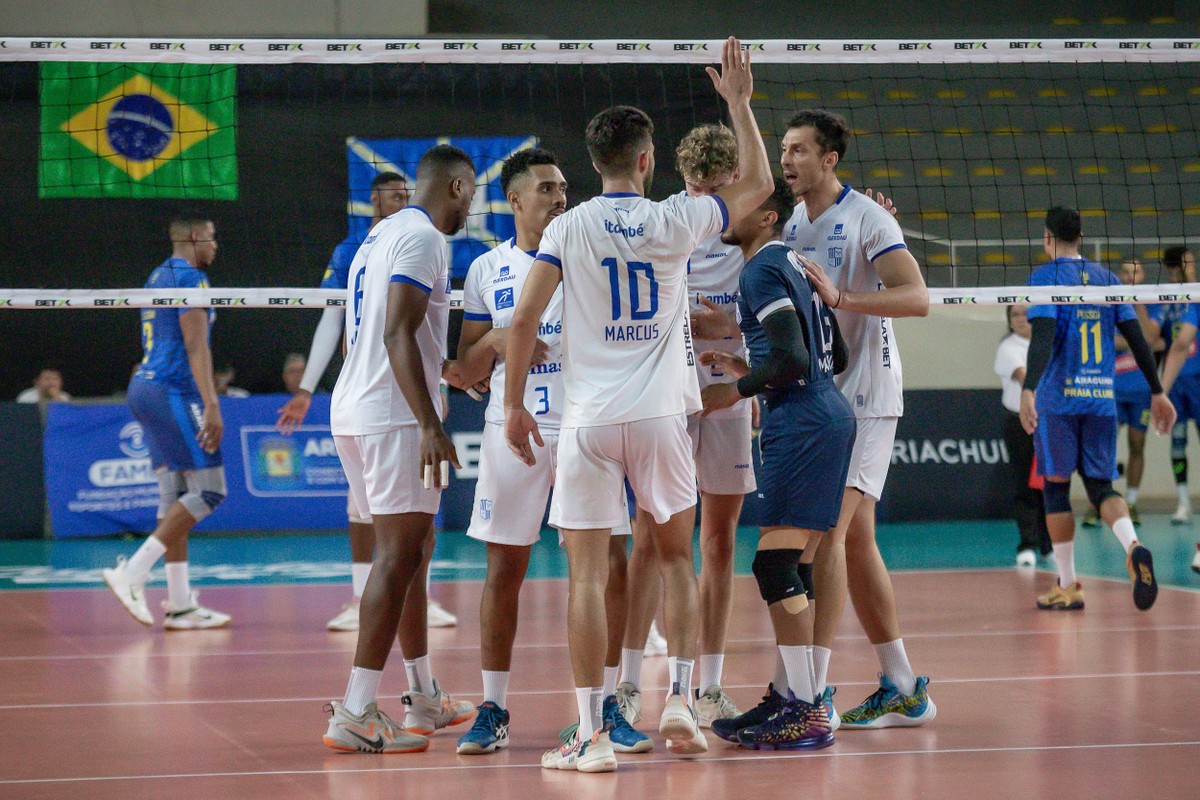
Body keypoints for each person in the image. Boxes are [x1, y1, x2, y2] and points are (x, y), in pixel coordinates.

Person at [504, 36, 773, 773]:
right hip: (660, 418)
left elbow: (524, 321)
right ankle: (682, 697)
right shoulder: (675, 220)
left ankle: (591, 735)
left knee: (586, 576)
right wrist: (740, 106)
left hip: (588, 421)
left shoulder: (566, 226)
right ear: (648, 161)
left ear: (595, 162)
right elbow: (753, 185)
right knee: (675, 559)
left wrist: (511, 406)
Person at [453, 147, 649, 757]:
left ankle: (607, 705)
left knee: (606, 567)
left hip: (586, 427)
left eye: (564, 186)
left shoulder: (591, 249)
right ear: (514, 201)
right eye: (547, 188)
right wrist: (508, 337)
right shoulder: (487, 268)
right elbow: (463, 368)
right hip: (512, 427)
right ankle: (493, 706)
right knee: (503, 569)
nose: (561, 195)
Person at [780, 109, 935, 730]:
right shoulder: (793, 222)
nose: (786, 159)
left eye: (797, 150)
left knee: (824, 536)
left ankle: (811, 695)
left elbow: (917, 297)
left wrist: (847, 299)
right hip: (824, 398)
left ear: (829, 160)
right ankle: (901, 684)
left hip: (866, 397)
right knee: (857, 537)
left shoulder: (869, 217)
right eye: (783, 149)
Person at [321, 144, 477, 754]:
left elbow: (372, 335)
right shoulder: (425, 239)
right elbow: (396, 331)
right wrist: (430, 424)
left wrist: (449, 373)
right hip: (393, 419)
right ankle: (357, 710)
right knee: (398, 555)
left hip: (357, 410)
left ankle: (424, 697)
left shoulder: (379, 235)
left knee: (413, 549)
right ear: (459, 188)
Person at [698, 176, 853, 750]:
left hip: (803, 419)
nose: (728, 213)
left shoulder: (761, 267)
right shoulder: (794, 259)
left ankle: (808, 707)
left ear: (766, 216)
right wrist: (752, 368)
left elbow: (792, 355)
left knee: (775, 565)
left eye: (742, 204)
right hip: (823, 410)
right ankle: (790, 696)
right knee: (798, 562)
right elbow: (830, 350)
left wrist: (734, 392)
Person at [275, 171, 463, 632]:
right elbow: (340, 321)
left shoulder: (413, 240)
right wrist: (305, 388)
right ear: (374, 198)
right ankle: (363, 599)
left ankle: (416, 604)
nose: (403, 202)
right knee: (378, 519)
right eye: (394, 196)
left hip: (381, 400)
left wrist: (437, 384)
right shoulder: (362, 247)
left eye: (408, 195)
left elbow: (420, 331)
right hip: (378, 400)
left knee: (416, 514)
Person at [617, 122, 753, 729]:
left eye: (714, 178)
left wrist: (725, 324)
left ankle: (706, 685)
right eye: (699, 178)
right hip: (669, 391)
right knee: (661, 537)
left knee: (705, 538)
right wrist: (686, 324)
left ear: (729, 179)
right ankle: (638, 683)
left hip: (724, 390)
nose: (706, 187)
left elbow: (769, 316)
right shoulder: (662, 223)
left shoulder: (749, 230)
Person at [1021, 206, 1173, 613]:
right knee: (1101, 488)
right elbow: (1137, 338)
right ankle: (1133, 545)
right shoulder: (1106, 278)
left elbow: (1044, 336)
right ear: (1082, 238)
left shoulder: (1045, 276)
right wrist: (1157, 391)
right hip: (1101, 399)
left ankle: (1068, 585)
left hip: (1059, 400)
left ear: (1047, 238)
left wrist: (1028, 388)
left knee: (1055, 488)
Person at [101, 218, 230, 630]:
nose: (216, 245)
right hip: (173, 391)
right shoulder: (191, 279)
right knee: (209, 491)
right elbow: (196, 346)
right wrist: (212, 403)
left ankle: (179, 604)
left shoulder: (156, 274)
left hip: (142, 386)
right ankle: (132, 574)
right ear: (194, 237)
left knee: (175, 495)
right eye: (211, 236)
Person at [994, 305, 1052, 566]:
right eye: (1014, 315)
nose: (1019, 320)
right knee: (1025, 485)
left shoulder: (1048, 342)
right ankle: (1028, 543)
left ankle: (1049, 543)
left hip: (1048, 423)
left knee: (1050, 484)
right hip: (1020, 424)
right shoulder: (1009, 347)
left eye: (1024, 314)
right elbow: (1025, 378)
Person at [1153, 245, 1197, 524]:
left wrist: (1191, 271)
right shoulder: (1163, 298)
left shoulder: (1197, 292)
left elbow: (1183, 344)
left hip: (1197, 378)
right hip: (1177, 380)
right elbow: (1154, 337)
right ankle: (1183, 501)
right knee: (1177, 444)